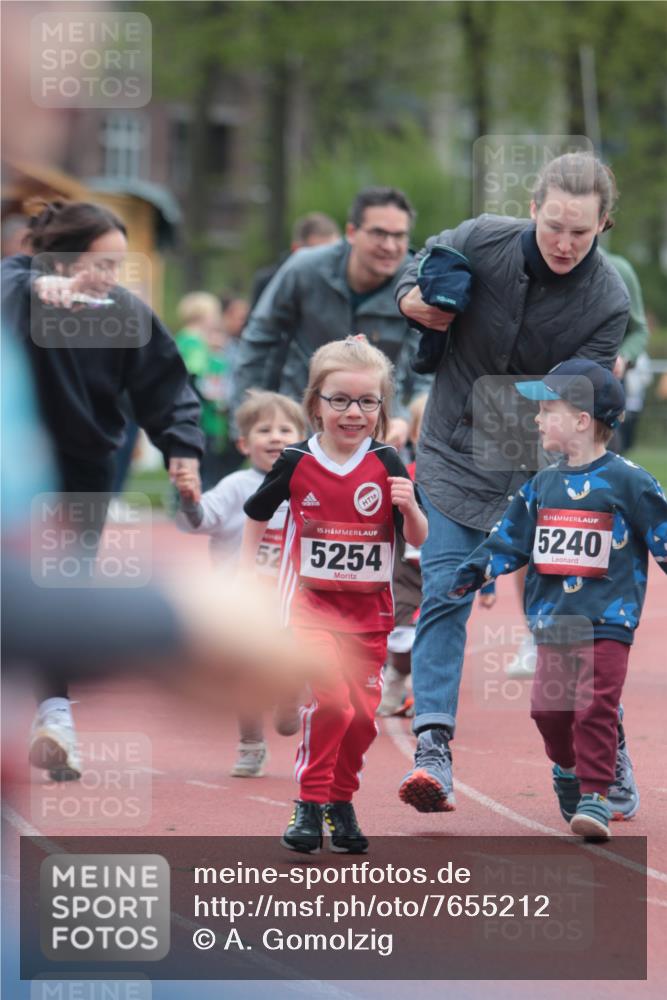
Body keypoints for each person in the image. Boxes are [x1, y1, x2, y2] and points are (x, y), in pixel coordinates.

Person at [395, 152, 633, 813]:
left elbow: (573, 396)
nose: (562, 242)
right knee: (443, 591)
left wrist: (503, 389)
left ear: (602, 226)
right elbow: (414, 283)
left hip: (544, 466)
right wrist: (417, 304)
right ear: (531, 208)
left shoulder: (606, 299)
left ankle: (598, 757)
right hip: (452, 451)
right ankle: (432, 750)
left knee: (561, 621)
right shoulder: (477, 238)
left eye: (579, 232)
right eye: (553, 223)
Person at [1, 199, 203, 780]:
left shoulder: (121, 312)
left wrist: (182, 451)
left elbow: (166, 385)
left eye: (119, 266)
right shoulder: (18, 284)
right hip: (16, 468)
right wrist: (39, 290)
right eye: (101, 264)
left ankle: (52, 715)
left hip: (89, 467)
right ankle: (50, 713)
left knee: (62, 587)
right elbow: (10, 287)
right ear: (61, 257)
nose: (111, 278)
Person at [448, 360, 667, 838]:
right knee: (549, 713)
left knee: (596, 706)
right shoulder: (541, 486)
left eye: (548, 410)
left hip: (608, 621)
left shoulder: (631, 481)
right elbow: (511, 540)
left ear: (583, 420)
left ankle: (596, 794)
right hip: (552, 622)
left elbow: (662, 533)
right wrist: (476, 570)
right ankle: (567, 771)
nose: (537, 419)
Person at [241, 335, 427, 854]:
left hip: (370, 614)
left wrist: (410, 509)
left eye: (367, 402)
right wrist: (245, 575)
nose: (353, 412)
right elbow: (256, 514)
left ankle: (340, 801)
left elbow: (417, 540)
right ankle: (309, 802)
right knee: (332, 705)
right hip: (310, 608)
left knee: (364, 718)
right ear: (315, 404)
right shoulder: (298, 460)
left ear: (382, 408)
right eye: (339, 400)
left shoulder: (388, 462)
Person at [232, 186, 430, 448]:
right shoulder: (305, 269)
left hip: (379, 428)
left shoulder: (416, 285)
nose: (390, 246)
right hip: (303, 423)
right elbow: (259, 339)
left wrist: (408, 416)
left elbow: (428, 362)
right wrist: (248, 419)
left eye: (399, 236)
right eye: (379, 233)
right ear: (351, 233)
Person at [175, 390, 306, 776]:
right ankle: (250, 743)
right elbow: (197, 522)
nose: (275, 437)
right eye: (264, 430)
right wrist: (188, 499)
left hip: (290, 602)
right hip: (242, 603)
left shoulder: (307, 482)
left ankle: (288, 696)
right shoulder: (235, 485)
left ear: (302, 439)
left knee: (289, 661)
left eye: (286, 429)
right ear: (244, 443)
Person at [175, 291, 237, 490]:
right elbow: (195, 372)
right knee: (200, 459)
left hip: (200, 413)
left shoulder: (193, 339)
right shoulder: (193, 341)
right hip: (198, 412)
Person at [249, 211, 342, 308]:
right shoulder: (268, 283)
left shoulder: (341, 286)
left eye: (333, 253)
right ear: (296, 250)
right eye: (316, 255)